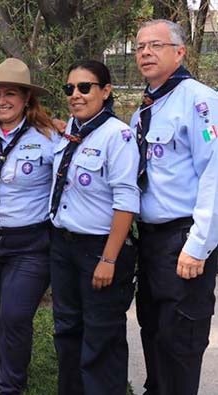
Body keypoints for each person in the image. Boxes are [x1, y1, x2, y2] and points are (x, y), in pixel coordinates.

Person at [131, 19, 218, 395]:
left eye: (156, 45)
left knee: (181, 337)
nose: (145, 52)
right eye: (139, 47)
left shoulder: (200, 101)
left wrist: (198, 245)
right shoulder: (146, 108)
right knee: (152, 329)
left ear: (180, 52)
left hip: (182, 239)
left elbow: (215, 176)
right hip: (150, 241)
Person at [49, 60, 139, 395]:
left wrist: (109, 259)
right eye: (69, 88)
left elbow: (126, 200)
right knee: (67, 331)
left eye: (84, 87)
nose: (75, 94)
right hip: (63, 246)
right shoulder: (69, 130)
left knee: (102, 337)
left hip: (99, 249)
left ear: (106, 91)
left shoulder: (118, 136)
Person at [0, 58, 57, 395]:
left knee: (16, 315)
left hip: (30, 244)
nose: (2, 100)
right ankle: (4, 375)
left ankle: (10, 387)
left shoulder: (49, 138)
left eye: (11, 94)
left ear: (27, 100)